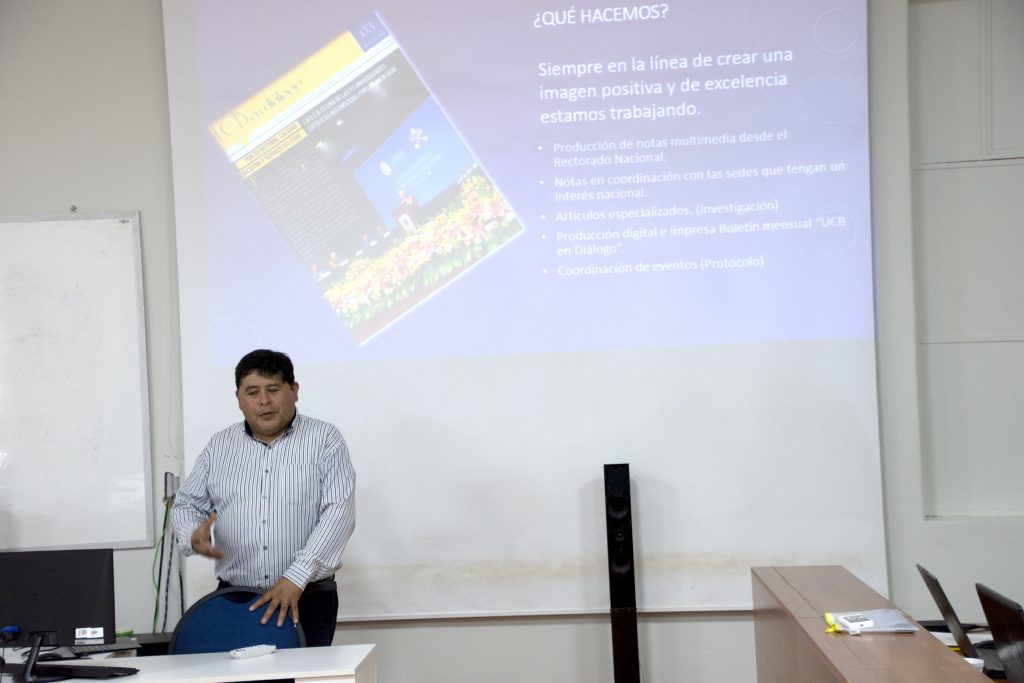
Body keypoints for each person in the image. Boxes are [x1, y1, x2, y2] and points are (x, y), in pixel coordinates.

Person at [171, 349, 356, 646]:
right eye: (252, 392)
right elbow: (187, 503)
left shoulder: (325, 440)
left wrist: (295, 577)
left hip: (307, 598)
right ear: (238, 398)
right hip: (236, 600)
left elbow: (339, 513)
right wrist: (192, 533)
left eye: (273, 389)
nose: (264, 401)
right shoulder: (219, 446)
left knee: (304, 673)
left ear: (294, 391)